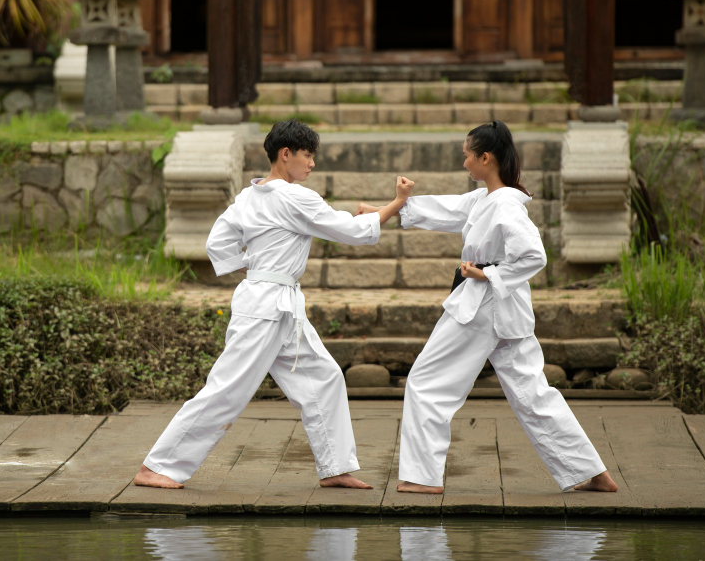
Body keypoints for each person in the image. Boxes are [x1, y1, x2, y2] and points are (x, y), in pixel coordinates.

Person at [134, 119, 411, 490]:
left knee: (324, 379)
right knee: (227, 388)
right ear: (286, 154)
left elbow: (218, 243)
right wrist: (396, 204)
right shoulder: (294, 196)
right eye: (308, 155)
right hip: (266, 305)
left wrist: (255, 264)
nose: (312, 164)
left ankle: (335, 467)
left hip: (275, 302)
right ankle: (158, 466)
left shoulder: (248, 198)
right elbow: (349, 231)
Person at [356, 120, 618, 495]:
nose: (464, 163)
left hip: (483, 308)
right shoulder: (485, 199)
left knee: (426, 382)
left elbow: (533, 255)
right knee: (532, 393)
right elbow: (444, 210)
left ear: (485, 157)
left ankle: (422, 477)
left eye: (467, 155)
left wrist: (487, 275)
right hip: (504, 310)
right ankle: (593, 473)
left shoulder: (506, 206)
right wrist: (389, 207)